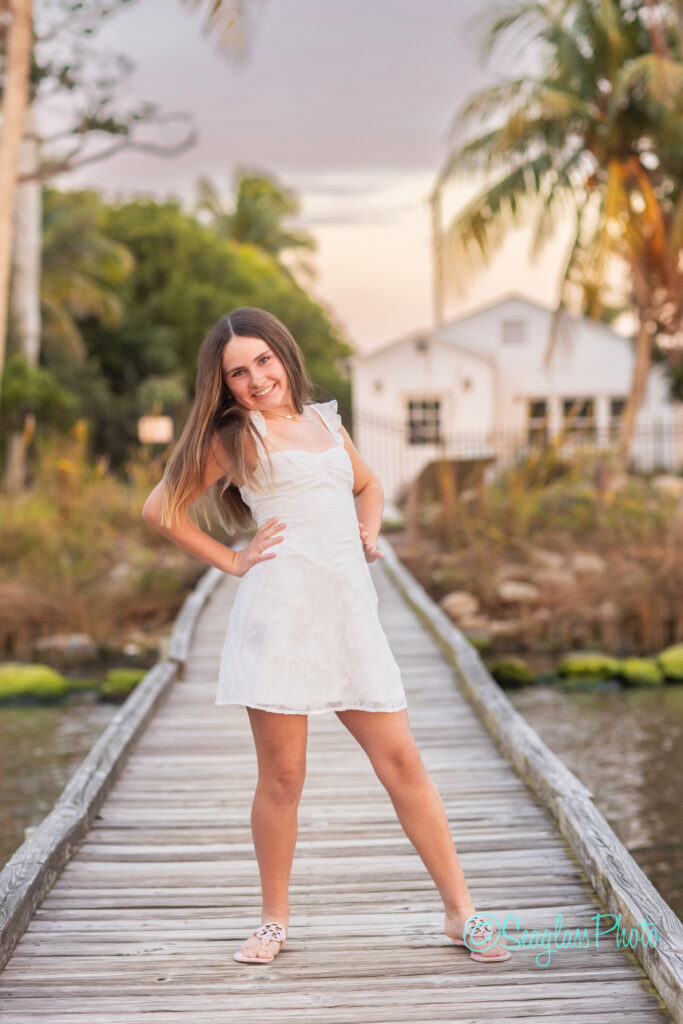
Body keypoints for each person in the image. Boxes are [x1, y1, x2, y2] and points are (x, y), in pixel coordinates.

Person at [141, 307, 511, 966]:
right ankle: (272, 921)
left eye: (262, 361)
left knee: (403, 762)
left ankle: (461, 911)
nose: (255, 379)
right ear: (223, 386)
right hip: (278, 619)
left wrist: (367, 529)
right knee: (283, 777)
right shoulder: (235, 436)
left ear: (283, 355)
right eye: (237, 372)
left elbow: (368, 486)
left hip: (348, 616)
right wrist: (232, 559)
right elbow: (158, 509)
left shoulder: (324, 423)